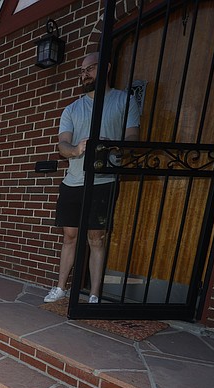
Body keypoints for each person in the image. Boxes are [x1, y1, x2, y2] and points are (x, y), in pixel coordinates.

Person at [44, 52, 141, 304]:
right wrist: (76, 150)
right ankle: (60, 288)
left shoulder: (125, 101)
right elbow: (62, 145)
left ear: (106, 68)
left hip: (103, 182)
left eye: (90, 69)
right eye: (82, 71)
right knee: (70, 236)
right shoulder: (72, 109)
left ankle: (95, 294)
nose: (85, 74)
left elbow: (133, 139)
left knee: (96, 238)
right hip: (72, 182)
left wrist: (114, 146)